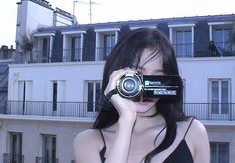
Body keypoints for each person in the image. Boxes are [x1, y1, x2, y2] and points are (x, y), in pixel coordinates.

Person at [74, 28, 210, 163]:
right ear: (116, 76)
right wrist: (126, 121)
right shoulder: (88, 142)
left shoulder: (193, 132)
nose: (146, 86)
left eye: (157, 77)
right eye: (137, 75)